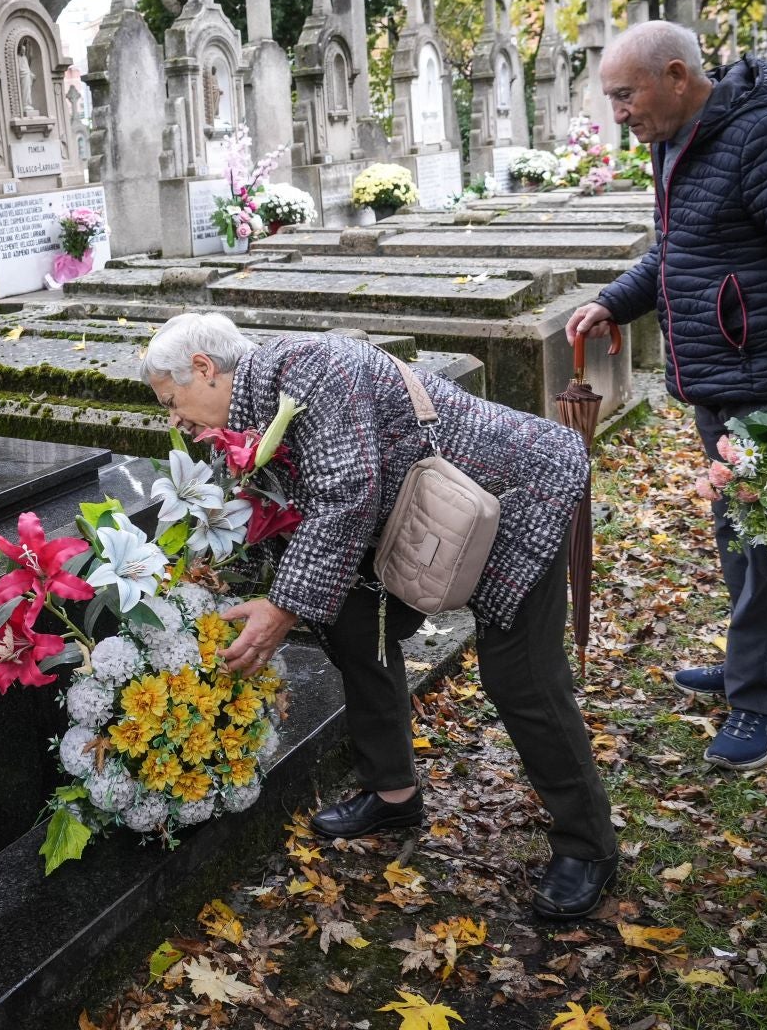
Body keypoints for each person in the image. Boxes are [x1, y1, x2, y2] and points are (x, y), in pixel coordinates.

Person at [141, 313, 618, 921]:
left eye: (172, 401)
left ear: (204, 369)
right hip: (431, 520)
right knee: (352, 625)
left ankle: (588, 845)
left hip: (517, 498)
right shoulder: (254, 404)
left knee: (521, 678)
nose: (175, 420)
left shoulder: (311, 368)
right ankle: (393, 793)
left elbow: (347, 494)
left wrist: (282, 607)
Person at [566, 20, 767, 770]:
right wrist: (615, 301)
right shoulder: (680, 139)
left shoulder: (764, 136)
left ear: (676, 76)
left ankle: (759, 700)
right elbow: (683, 251)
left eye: (626, 95)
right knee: (743, 532)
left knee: (765, 541)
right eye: (612, 98)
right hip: (723, 377)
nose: (619, 114)